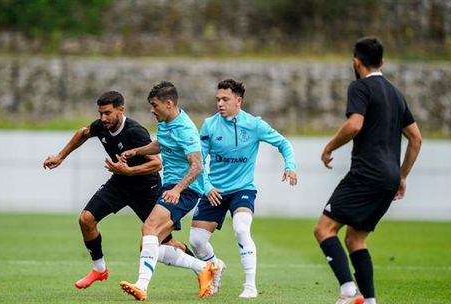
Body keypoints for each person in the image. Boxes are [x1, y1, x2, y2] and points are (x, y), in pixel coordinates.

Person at [43, 90, 193, 289]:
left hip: (146, 187)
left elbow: (156, 164)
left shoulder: (135, 131)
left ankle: (203, 268)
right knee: (86, 219)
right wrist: (60, 156)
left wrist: (129, 170)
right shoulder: (101, 126)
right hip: (120, 183)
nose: (103, 118)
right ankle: (99, 269)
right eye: (100, 113)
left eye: (107, 113)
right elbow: (82, 133)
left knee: (164, 243)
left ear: (120, 110)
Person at [313, 37, 422, 304]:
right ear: (382, 62)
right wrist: (402, 176)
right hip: (388, 178)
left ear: (356, 62)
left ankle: (349, 291)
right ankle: (370, 301)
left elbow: (354, 125)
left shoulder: (360, 87)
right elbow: (416, 138)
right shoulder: (396, 93)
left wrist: (329, 147)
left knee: (324, 230)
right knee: (355, 239)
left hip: (366, 174)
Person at [189, 79, 298, 298]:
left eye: (225, 99)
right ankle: (214, 265)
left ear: (238, 101)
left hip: (242, 189)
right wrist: (208, 187)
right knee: (196, 241)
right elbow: (198, 161)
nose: (220, 103)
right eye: (218, 99)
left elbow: (284, 143)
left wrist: (290, 167)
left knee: (241, 228)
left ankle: (250, 286)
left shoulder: (255, 125)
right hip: (214, 191)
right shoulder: (210, 124)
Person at [118, 81, 217, 301]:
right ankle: (204, 267)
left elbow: (197, 165)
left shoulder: (185, 129)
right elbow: (162, 144)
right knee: (148, 244)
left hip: (186, 189)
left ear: (169, 104)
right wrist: (137, 151)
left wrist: (178, 190)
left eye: (155, 105)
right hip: (171, 188)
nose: (152, 110)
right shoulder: (166, 122)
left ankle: (142, 285)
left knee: (149, 227)